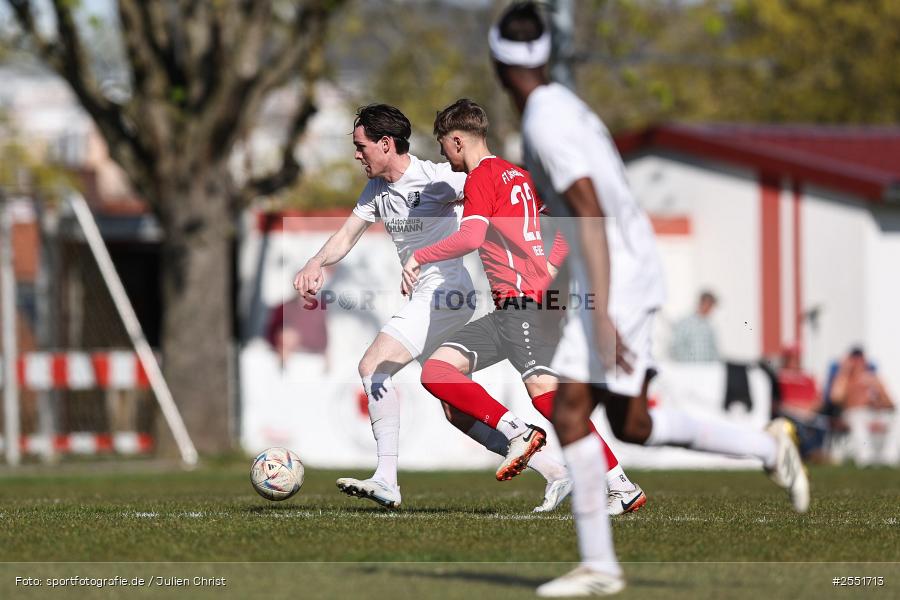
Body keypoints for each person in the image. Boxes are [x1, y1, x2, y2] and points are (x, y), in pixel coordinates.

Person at [490, 3, 810, 596]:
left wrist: (600, 308)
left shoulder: (543, 121)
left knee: (568, 412)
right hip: (624, 269)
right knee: (631, 424)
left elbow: (589, 209)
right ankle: (767, 446)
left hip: (619, 278)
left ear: (497, 62)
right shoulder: (560, 105)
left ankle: (599, 568)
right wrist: (563, 289)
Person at [293, 104, 573, 510]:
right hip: (433, 299)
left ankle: (392, 477)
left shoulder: (439, 179)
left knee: (373, 365)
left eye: (361, 146)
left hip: (443, 293)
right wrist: (316, 262)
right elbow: (347, 234)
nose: (357, 154)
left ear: (385, 144)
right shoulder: (375, 190)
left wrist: (539, 255)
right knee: (454, 408)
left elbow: (499, 190)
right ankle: (555, 471)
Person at [403, 99, 645, 515]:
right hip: (515, 308)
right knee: (438, 370)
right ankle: (519, 433)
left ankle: (619, 486)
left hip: (525, 306)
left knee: (547, 398)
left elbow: (471, 237)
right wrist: (551, 261)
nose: (445, 155)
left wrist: (420, 256)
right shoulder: (518, 176)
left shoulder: (482, 178)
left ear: (457, 140)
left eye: (444, 146)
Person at [828, 347, 898, 467]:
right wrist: (844, 371)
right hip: (853, 414)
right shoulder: (845, 379)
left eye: (861, 359)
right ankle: (866, 459)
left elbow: (891, 404)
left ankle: (889, 459)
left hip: (875, 414)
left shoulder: (874, 378)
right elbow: (835, 398)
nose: (858, 363)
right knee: (858, 419)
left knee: (897, 421)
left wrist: (878, 393)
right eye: (855, 359)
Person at [776, 345, 827, 461]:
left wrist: (810, 409)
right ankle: (810, 454)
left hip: (808, 412)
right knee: (799, 426)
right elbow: (781, 401)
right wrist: (798, 408)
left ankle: (816, 452)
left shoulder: (807, 377)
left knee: (822, 424)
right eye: (792, 358)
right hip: (789, 411)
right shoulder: (780, 377)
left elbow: (818, 399)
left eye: (797, 358)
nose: (795, 362)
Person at [669, 290, 720, 362]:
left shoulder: (709, 327)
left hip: (706, 370)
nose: (711, 309)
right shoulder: (685, 323)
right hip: (689, 370)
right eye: (709, 305)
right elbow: (676, 347)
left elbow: (714, 350)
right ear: (702, 303)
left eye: (712, 306)